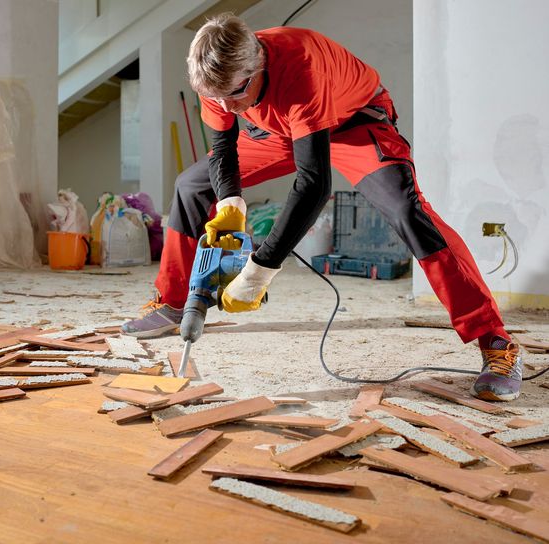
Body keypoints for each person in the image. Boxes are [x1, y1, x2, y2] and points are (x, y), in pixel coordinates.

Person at [121, 14, 522, 402]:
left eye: (236, 95)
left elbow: (313, 184)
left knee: (406, 211)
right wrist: (230, 201)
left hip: (353, 121)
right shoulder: (217, 69)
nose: (226, 108)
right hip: (279, 125)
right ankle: (174, 301)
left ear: (257, 64)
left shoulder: (301, 65)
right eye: (215, 98)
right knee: (191, 185)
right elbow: (223, 148)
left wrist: (259, 270)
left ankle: (494, 339)